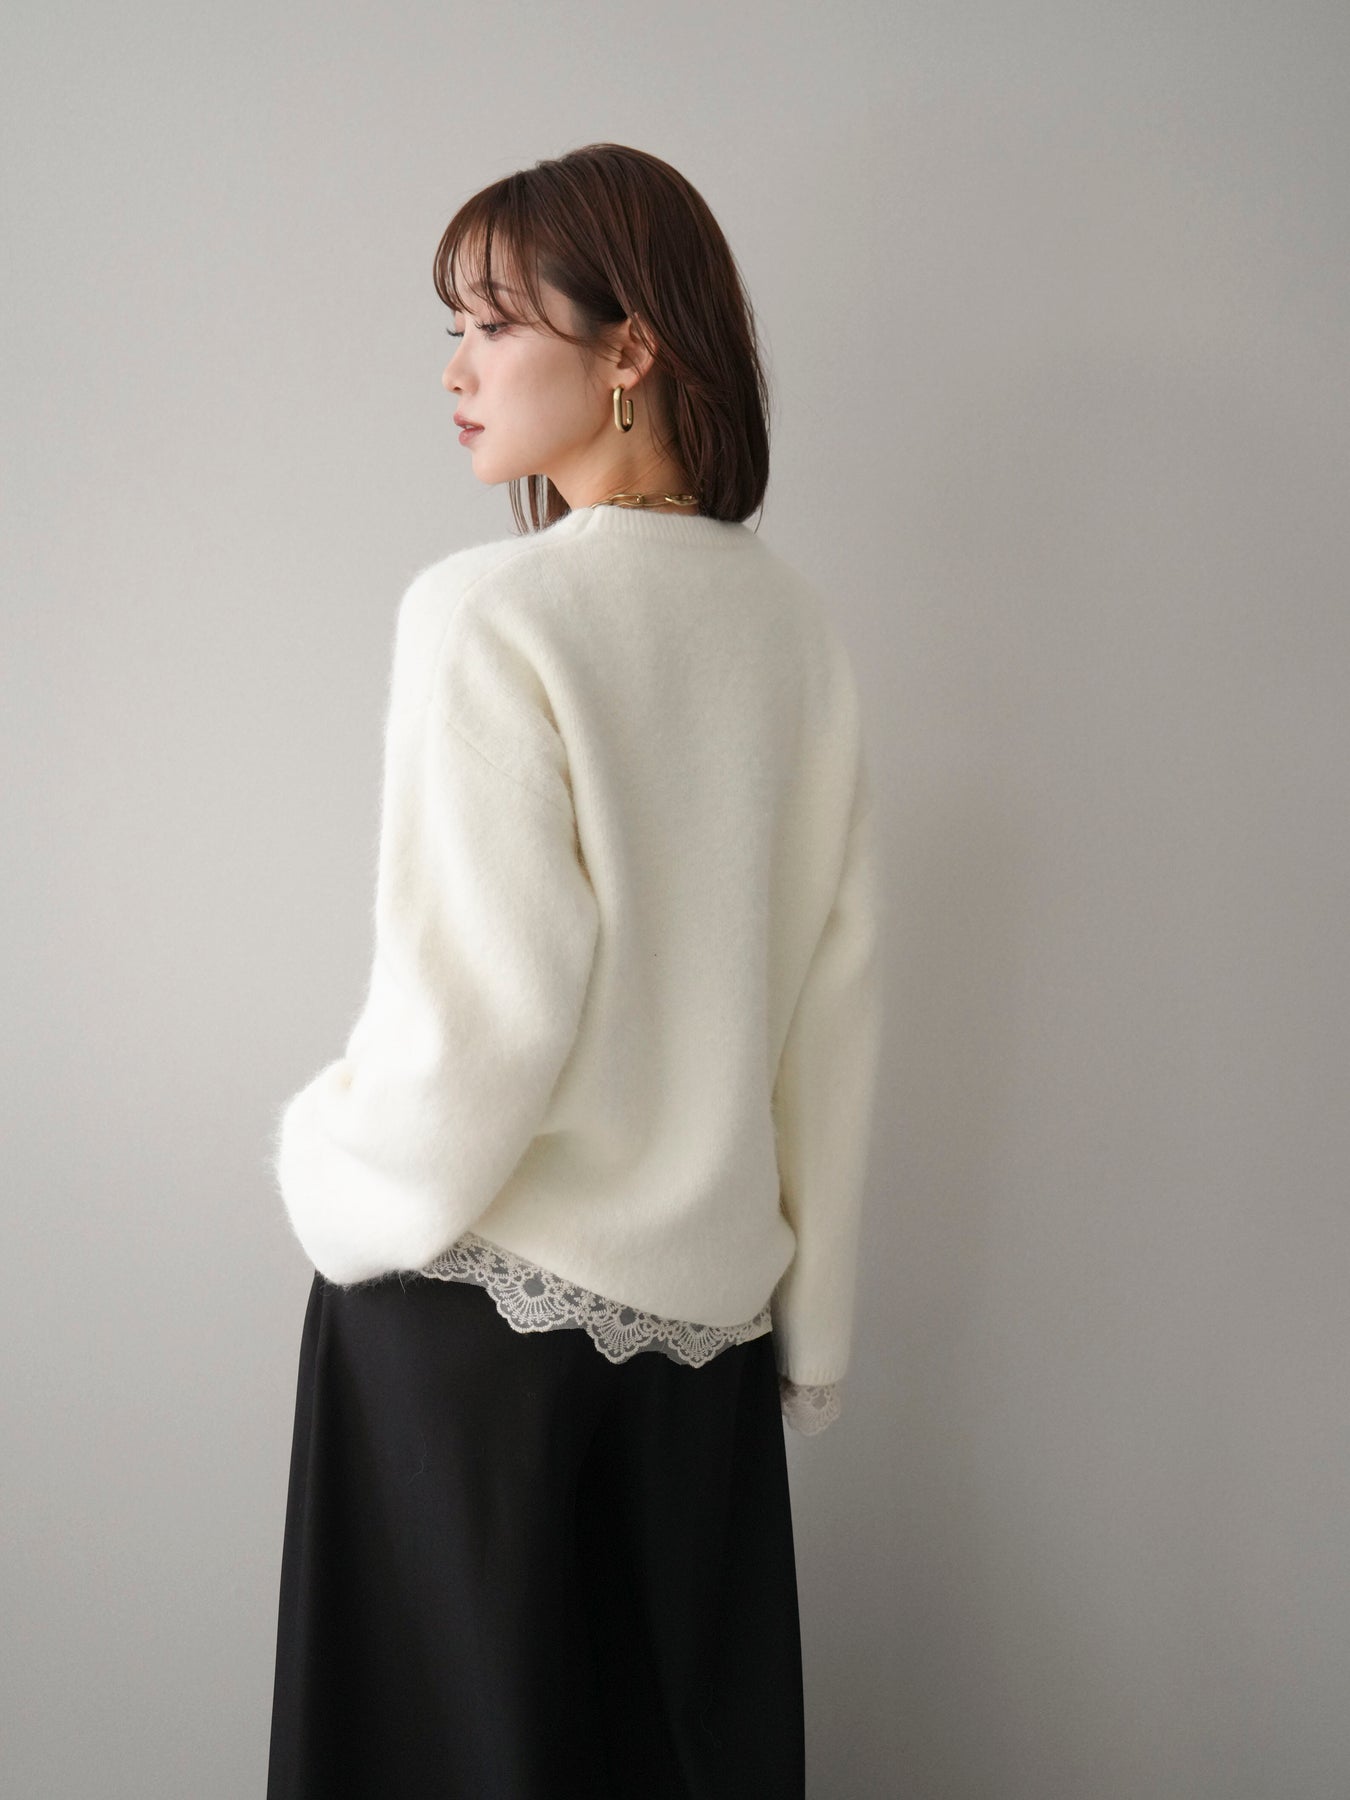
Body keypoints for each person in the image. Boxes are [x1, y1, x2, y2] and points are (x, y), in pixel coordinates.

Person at [266, 141, 883, 1799]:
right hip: (705, 1354)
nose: (454, 371)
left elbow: (482, 1013)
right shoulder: (798, 633)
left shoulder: (490, 612)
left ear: (630, 347)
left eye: (490, 324)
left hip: (475, 1348)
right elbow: (832, 1008)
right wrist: (811, 1329)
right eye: (451, 331)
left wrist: (333, 1173)